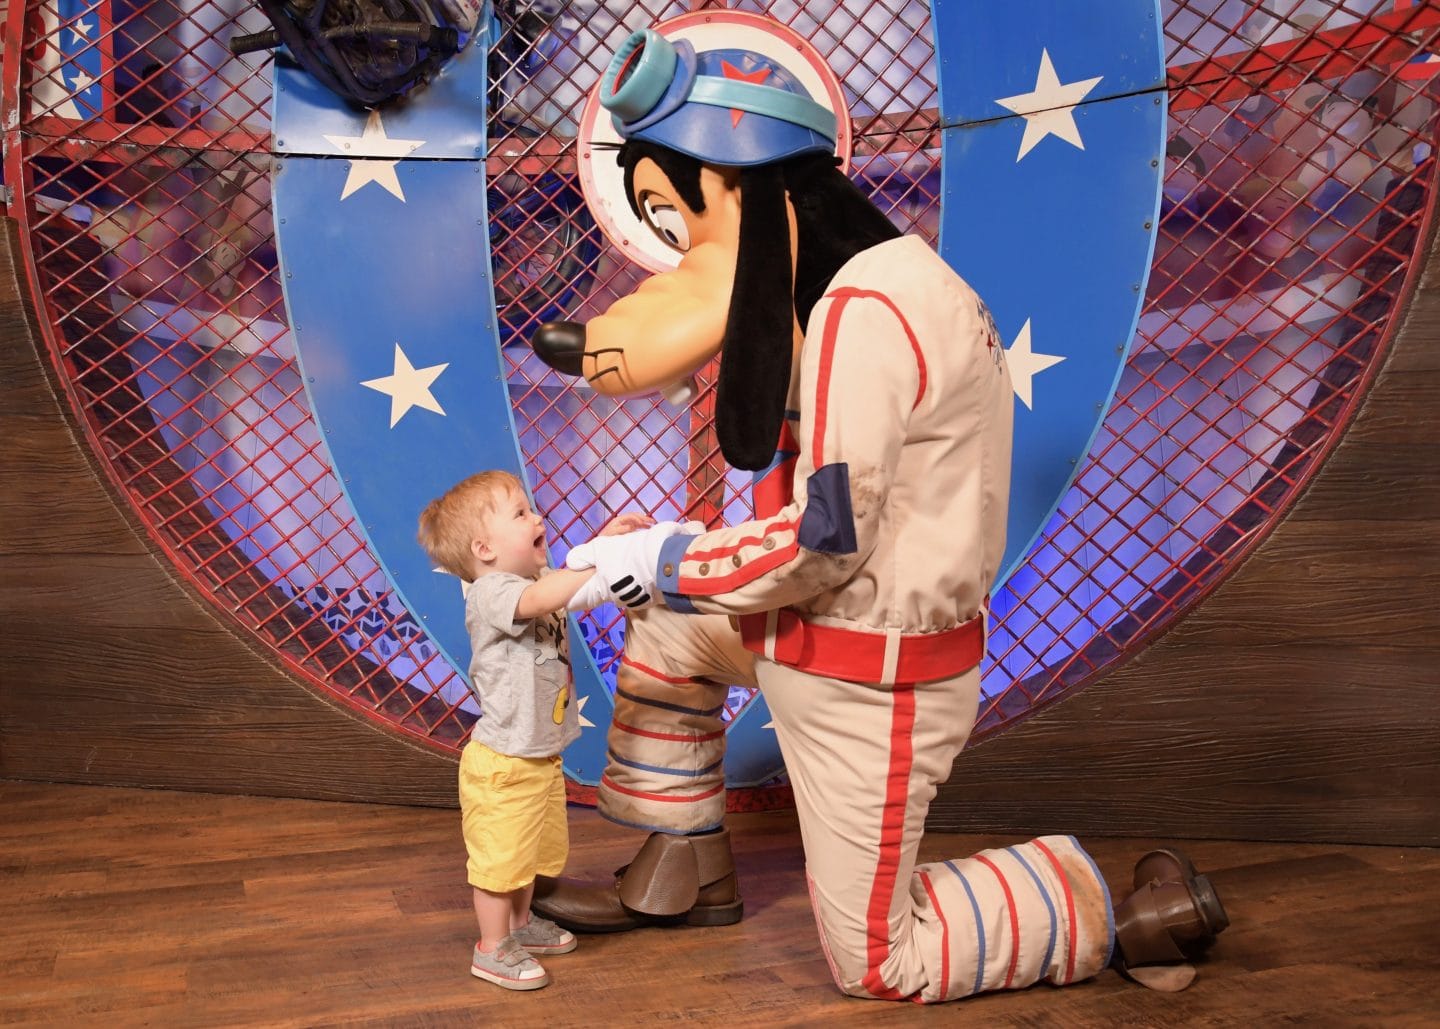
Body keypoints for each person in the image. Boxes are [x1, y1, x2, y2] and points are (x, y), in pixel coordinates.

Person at [526, 27, 1229, 1001]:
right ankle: (675, 871)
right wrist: (664, 575)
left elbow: (824, 541)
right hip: (817, 635)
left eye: (674, 208)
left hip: (873, 674)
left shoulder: (870, 310)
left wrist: (663, 553)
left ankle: (1109, 908)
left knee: (880, 965)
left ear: (735, 184)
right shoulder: (872, 285)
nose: (680, 242)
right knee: (668, 634)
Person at [416, 469, 659, 989]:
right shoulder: (489, 592)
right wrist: (598, 555)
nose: (537, 518)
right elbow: (542, 599)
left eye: (532, 509)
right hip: (503, 761)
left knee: (528, 853)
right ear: (483, 548)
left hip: (539, 754)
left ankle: (521, 926)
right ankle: (490, 946)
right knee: (499, 862)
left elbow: (574, 586)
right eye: (521, 514)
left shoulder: (532, 579)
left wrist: (607, 546)